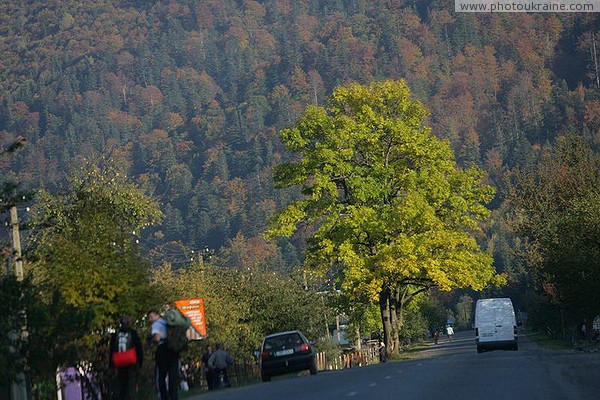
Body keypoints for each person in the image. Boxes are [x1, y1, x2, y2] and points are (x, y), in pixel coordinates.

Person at [109, 315, 143, 400]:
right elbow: (139, 348)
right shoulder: (133, 333)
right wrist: (140, 362)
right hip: (131, 362)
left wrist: (111, 365)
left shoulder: (116, 334)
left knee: (121, 386)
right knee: (130, 386)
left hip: (119, 362)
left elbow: (112, 349)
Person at [147, 308, 179, 400]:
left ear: (157, 315)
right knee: (172, 376)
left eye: (151, 317)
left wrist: (151, 340)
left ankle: (164, 397)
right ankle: (174, 397)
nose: (150, 320)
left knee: (161, 377)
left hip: (163, 350)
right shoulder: (166, 322)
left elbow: (157, 338)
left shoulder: (156, 324)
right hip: (173, 349)